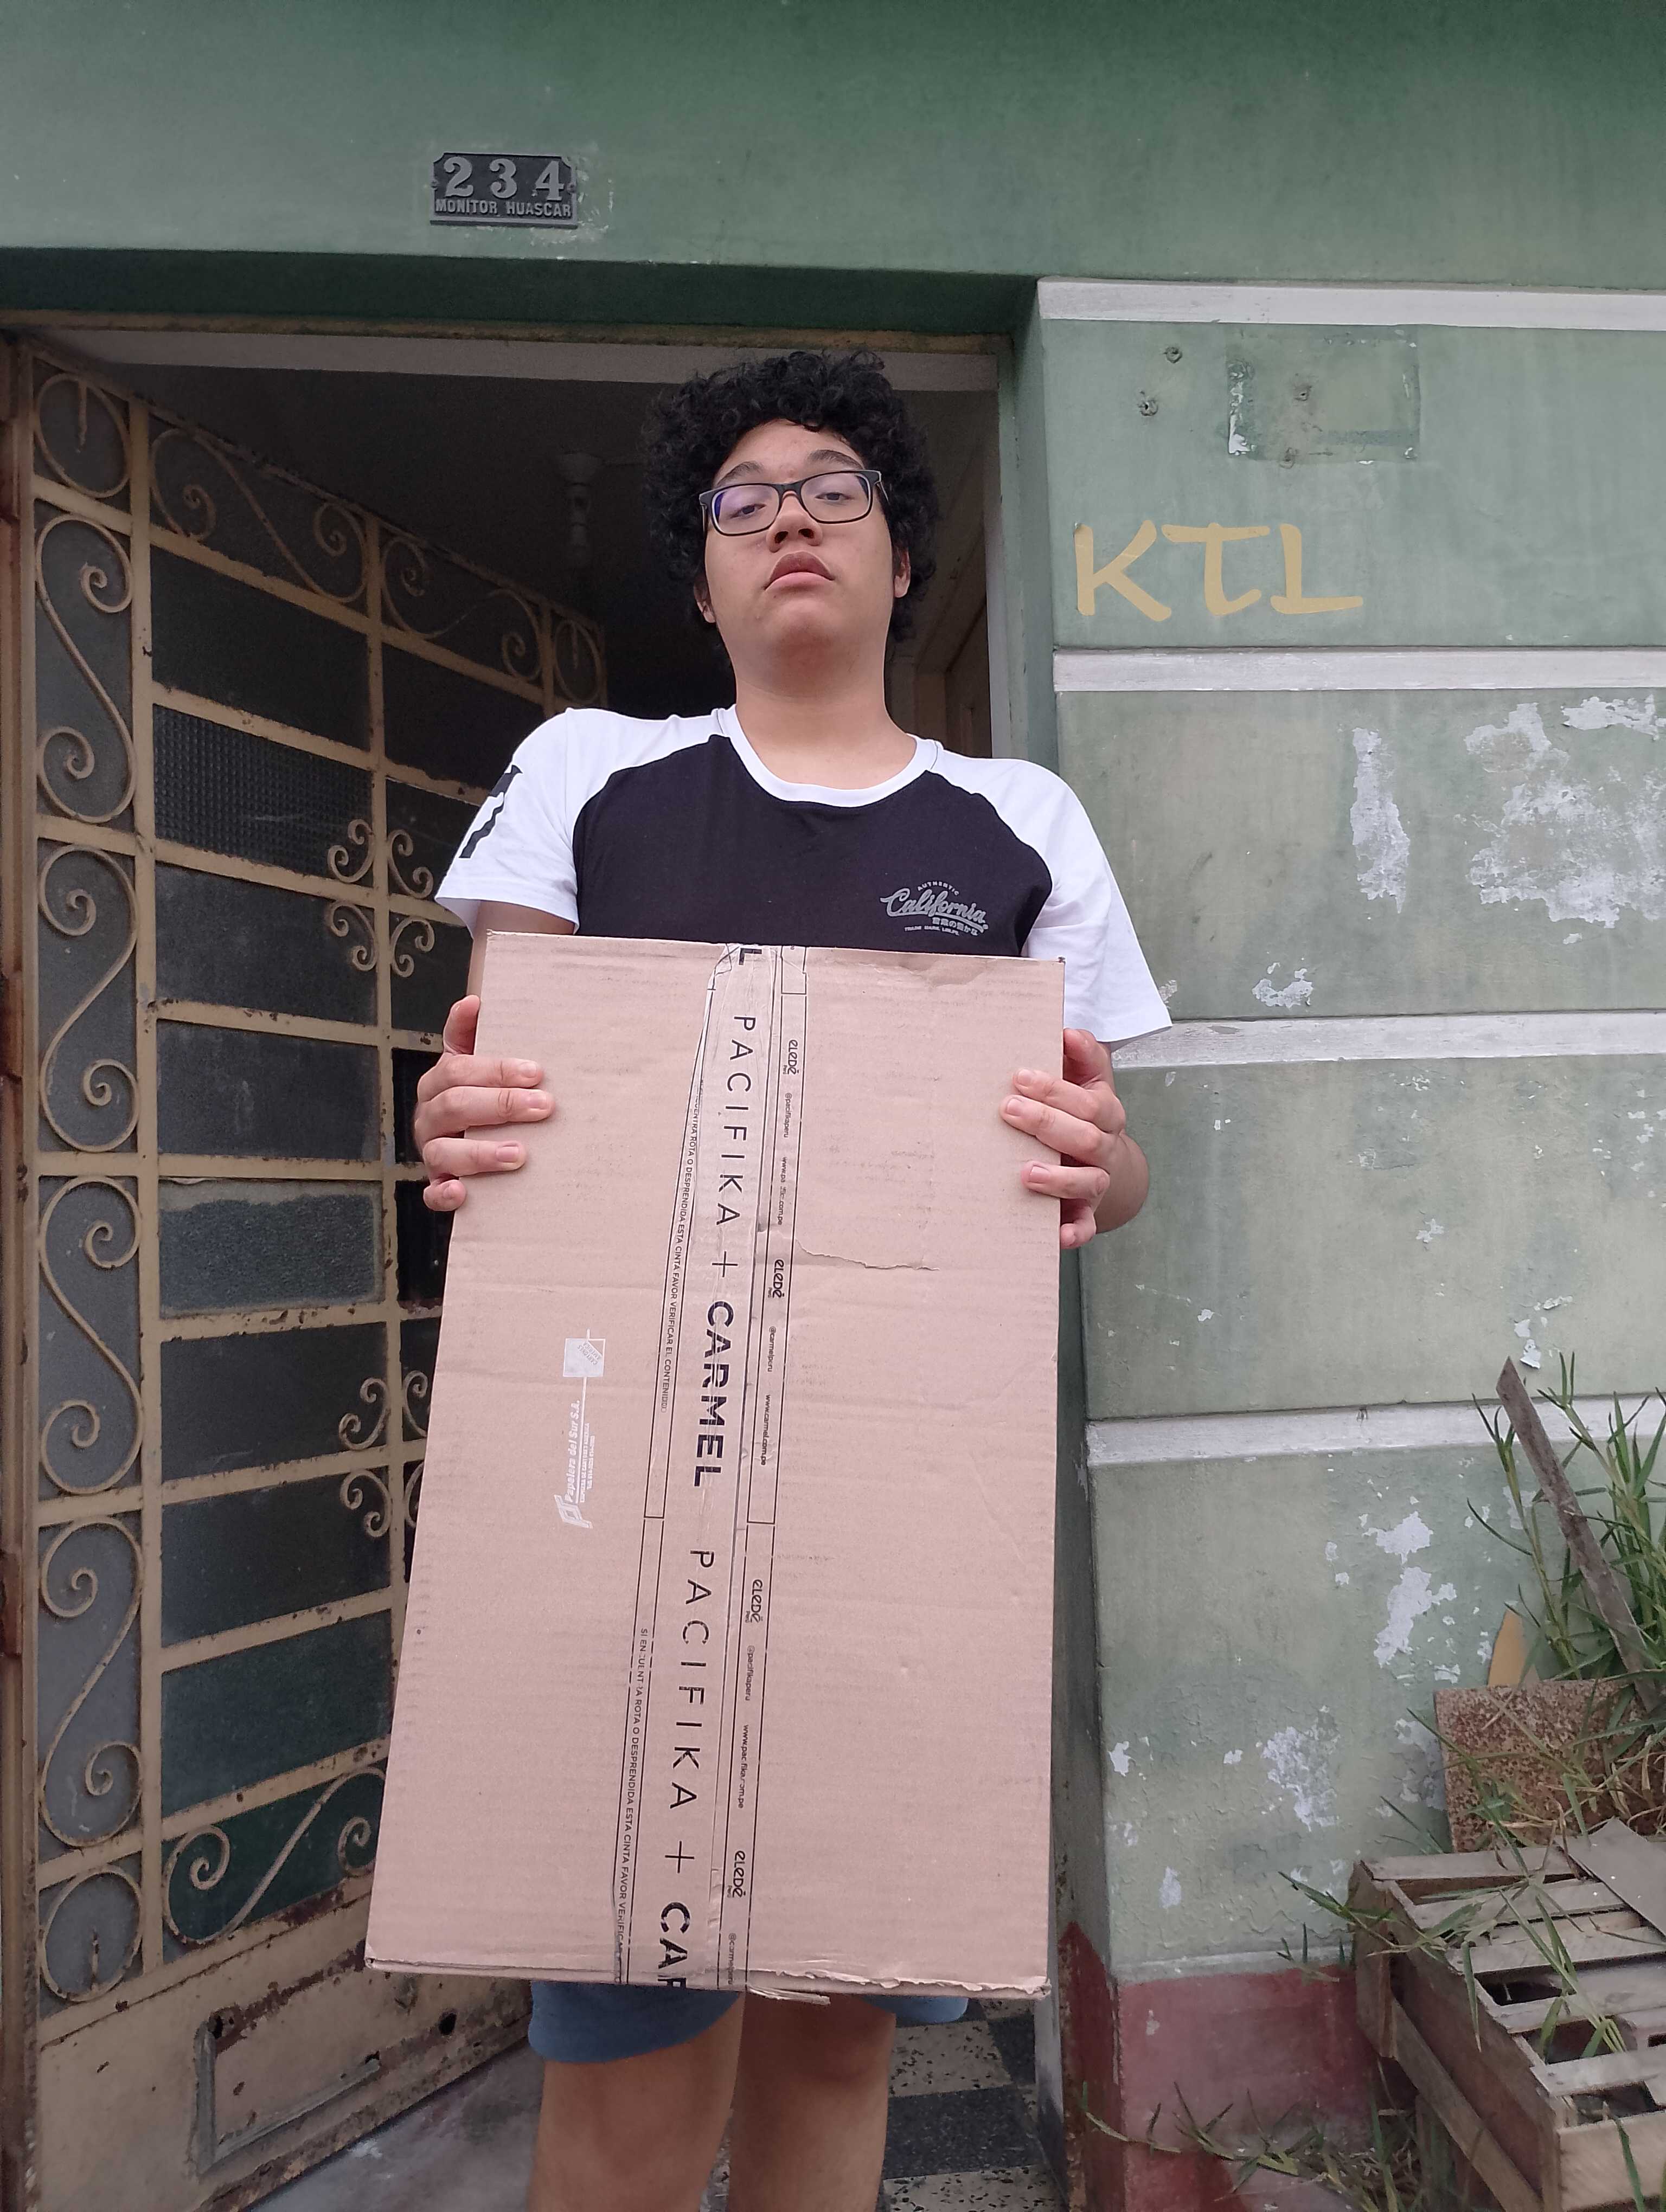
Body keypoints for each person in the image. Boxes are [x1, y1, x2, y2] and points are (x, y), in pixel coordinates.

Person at [414, 350, 1170, 2212]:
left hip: (897, 1506)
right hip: (620, 1496)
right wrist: (457, 1113)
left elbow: (1103, 1148)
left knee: (835, 2036)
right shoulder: (588, 776)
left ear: (904, 554)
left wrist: (1112, 1171)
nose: (791, 523)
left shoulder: (1020, 821)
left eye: (835, 489)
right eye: (742, 501)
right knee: (628, 2064)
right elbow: (504, 1085)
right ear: (702, 577)